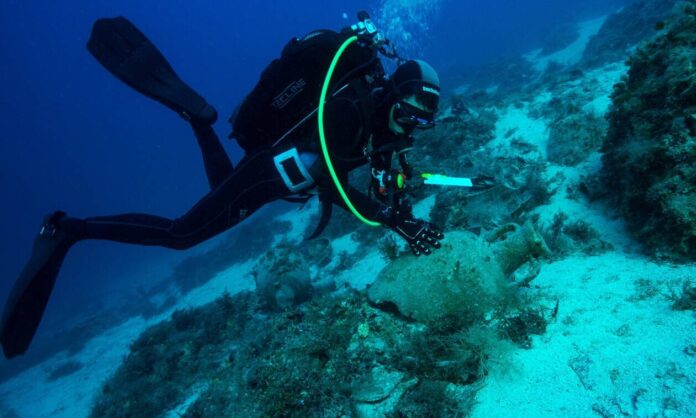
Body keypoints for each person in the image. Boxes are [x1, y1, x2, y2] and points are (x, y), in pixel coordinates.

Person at [0, 14, 445, 359]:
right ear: (394, 92)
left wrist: (399, 208)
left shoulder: (381, 123)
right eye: (411, 112)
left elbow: (382, 179)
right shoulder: (351, 110)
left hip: (273, 172)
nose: (413, 125)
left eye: (423, 120)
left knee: (218, 187)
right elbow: (332, 182)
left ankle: (199, 118)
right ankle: (70, 229)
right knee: (180, 235)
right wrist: (396, 223)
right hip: (268, 174)